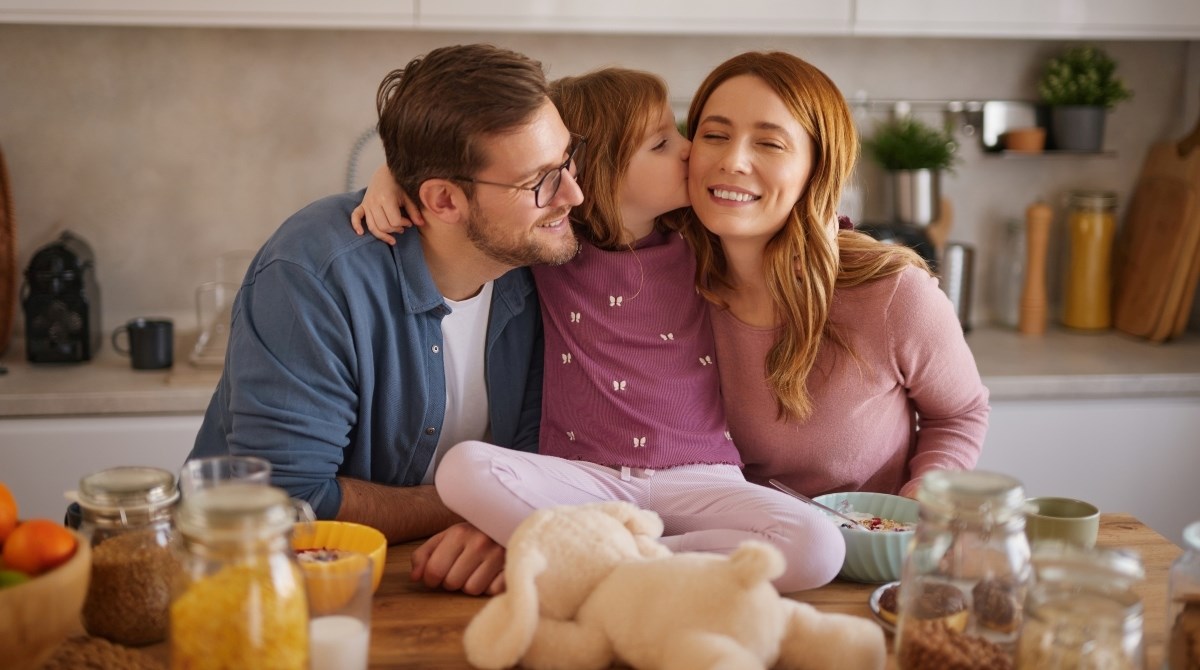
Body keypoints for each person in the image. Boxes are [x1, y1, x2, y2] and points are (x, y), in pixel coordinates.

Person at [353, 67, 846, 593]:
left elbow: (798, 211)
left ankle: (601, 562)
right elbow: (482, 173)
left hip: (701, 475)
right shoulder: (550, 245)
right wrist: (393, 175)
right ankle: (623, 562)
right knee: (462, 470)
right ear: (594, 172)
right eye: (661, 143)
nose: (687, 150)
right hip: (583, 479)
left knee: (819, 545)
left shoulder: (706, 239)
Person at [190, 43, 586, 596]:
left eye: (568, 159)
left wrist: (508, 516)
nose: (573, 193)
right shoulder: (313, 277)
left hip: (464, 574)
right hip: (269, 586)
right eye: (540, 180)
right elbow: (290, 501)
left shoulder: (541, 255)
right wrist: (482, 507)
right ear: (444, 200)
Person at [680, 51, 988, 500]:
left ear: (817, 170)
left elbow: (960, 412)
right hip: (735, 553)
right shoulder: (667, 283)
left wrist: (926, 494)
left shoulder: (892, 294)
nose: (732, 161)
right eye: (714, 135)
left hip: (865, 561)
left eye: (769, 143)